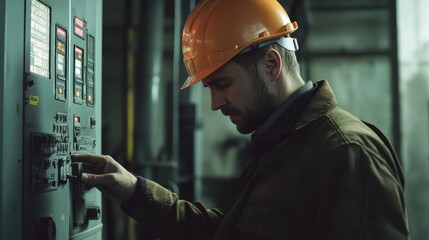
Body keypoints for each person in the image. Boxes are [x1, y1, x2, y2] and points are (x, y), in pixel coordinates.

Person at [72, 0, 410, 239]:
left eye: (223, 85)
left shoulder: (348, 152)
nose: (216, 103)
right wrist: (134, 192)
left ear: (272, 65)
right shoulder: (280, 144)